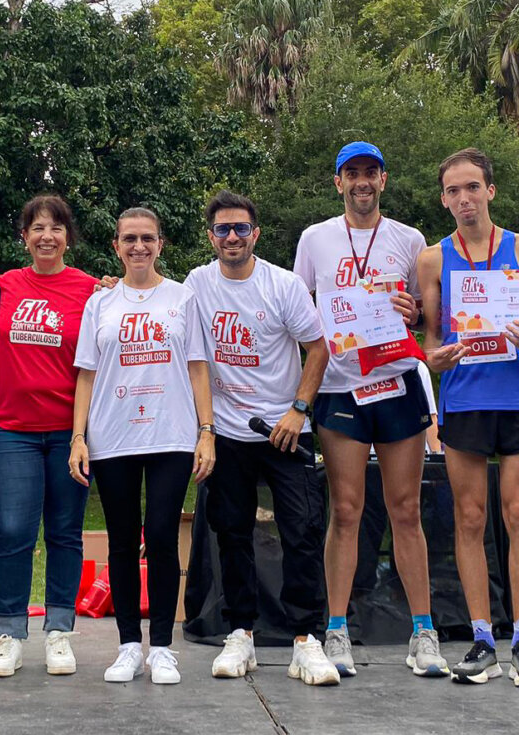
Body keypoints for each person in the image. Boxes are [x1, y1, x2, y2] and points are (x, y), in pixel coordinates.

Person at [294, 142, 449, 678]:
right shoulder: (315, 238)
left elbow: (427, 313)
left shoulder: (410, 240)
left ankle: (423, 632)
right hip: (340, 387)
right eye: (351, 173)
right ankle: (335, 631)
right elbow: (300, 313)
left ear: (384, 180)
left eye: (371, 173)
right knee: (347, 510)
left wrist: (415, 310)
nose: (362, 182)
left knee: (405, 510)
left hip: (396, 382)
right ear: (338, 182)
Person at [184, 190, 339, 686]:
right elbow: (191, 353)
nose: (233, 237)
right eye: (223, 229)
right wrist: (206, 430)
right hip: (228, 432)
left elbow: (318, 349)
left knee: (302, 533)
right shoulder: (197, 284)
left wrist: (298, 410)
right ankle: (241, 634)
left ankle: (306, 640)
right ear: (211, 236)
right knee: (232, 535)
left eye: (241, 229)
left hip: (284, 430)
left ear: (257, 234)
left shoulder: (284, 285)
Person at [69, 207, 215, 685]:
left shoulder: (183, 298)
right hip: (112, 438)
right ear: (116, 245)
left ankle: (163, 649)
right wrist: (78, 437)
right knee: (122, 541)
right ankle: (129, 645)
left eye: (147, 238)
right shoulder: (101, 305)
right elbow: (86, 375)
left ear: (161, 243)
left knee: (161, 536)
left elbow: (197, 366)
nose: (138, 246)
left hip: (170, 434)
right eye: (129, 238)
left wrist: (206, 430)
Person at [0, 195, 99, 678]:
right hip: (13, 429)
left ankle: (58, 632)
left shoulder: (93, 290)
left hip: (69, 433)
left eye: (55, 228)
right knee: (13, 532)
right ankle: (9, 633)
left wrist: (81, 434)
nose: (46, 236)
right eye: (37, 228)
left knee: (65, 533)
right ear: (24, 236)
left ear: (67, 236)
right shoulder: (2, 285)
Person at [418, 148, 519, 684]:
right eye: (453, 191)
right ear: (444, 199)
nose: (464, 199)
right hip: (464, 399)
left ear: (491, 191)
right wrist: (432, 358)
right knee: (471, 518)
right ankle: (482, 638)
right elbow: (431, 339)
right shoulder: (433, 259)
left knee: (517, 514)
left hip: (517, 398)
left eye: (472, 187)